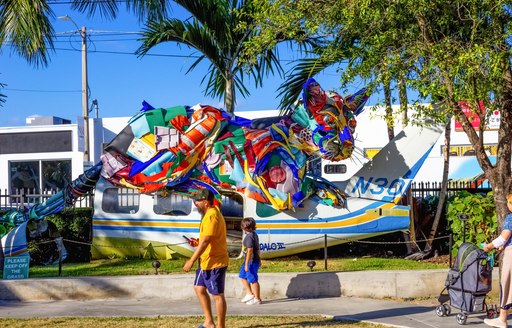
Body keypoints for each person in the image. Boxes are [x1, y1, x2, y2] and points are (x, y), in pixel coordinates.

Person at [183, 188, 229, 328]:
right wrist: (196, 242)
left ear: (205, 202)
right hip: (205, 262)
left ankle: (220, 326)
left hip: (215, 261)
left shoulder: (211, 216)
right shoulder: (209, 214)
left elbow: (206, 241)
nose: (195, 204)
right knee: (199, 288)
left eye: (197, 201)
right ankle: (209, 322)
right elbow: (206, 239)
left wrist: (191, 260)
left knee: (217, 295)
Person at [483, 193, 512, 328]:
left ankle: (502, 319)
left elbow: (503, 238)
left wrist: (489, 246)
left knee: (507, 284)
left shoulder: (510, 218)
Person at [239, 217, 262, 305]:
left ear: (246, 228)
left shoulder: (249, 237)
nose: (242, 228)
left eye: (243, 226)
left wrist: (247, 264)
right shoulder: (254, 234)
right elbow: (257, 249)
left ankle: (257, 298)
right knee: (242, 276)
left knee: (253, 279)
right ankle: (249, 293)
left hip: (251, 261)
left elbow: (250, 250)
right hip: (250, 261)